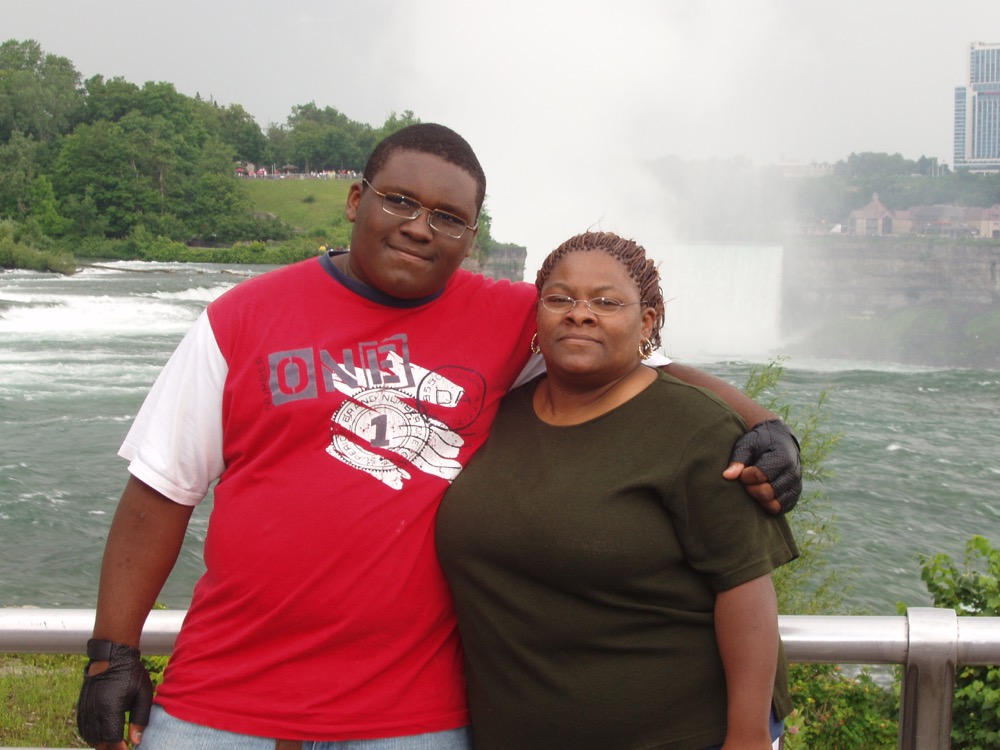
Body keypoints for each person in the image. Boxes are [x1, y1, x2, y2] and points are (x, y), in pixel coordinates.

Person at [76, 124, 801, 750]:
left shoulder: (519, 318)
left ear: (470, 237)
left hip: (414, 714)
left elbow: (642, 366)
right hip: (221, 698)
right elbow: (160, 491)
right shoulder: (241, 318)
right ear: (356, 200)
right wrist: (113, 655)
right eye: (399, 201)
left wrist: (762, 424)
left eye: (448, 217)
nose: (420, 228)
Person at [436, 231, 800, 750]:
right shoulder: (499, 411)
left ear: (647, 321)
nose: (580, 314)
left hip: (683, 735)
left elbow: (745, 590)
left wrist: (747, 737)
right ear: (537, 314)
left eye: (606, 303)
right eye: (560, 299)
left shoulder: (698, 428)